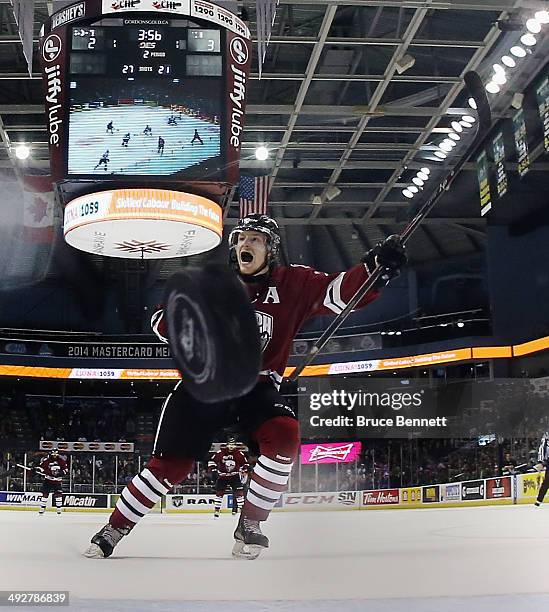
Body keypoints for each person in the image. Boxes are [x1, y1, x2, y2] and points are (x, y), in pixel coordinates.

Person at [84, 213, 406, 560]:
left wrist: (375, 269)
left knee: (284, 436)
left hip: (258, 385)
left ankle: (250, 523)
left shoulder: (295, 282)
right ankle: (114, 527)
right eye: (239, 239)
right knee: (170, 467)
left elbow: (341, 294)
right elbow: (161, 319)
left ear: (271, 248)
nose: (244, 245)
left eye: (254, 239)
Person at [208, 437, 249, 518]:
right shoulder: (220, 453)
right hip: (223, 476)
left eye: (233, 445)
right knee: (219, 493)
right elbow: (212, 461)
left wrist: (246, 469)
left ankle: (241, 509)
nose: (231, 446)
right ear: (227, 445)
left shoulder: (239, 454)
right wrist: (213, 470)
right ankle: (217, 509)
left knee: (239, 493)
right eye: (230, 444)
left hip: (234, 476)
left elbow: (245, 463)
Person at [36, 449, 68, 515]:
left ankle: (59, 509)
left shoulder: (61, 461)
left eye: (55, 455)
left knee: (58, 495)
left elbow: (65, 470)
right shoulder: (47, 461)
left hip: (57, 481)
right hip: (48, 480)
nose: (54, 456)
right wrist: (38, 470)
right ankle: (42, 508)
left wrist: (60, 474)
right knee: (45, 494)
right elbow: (41, 468)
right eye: (53, 454)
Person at [534, 431, 549, 507]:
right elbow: (542, 448)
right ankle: (539, 500)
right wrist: (541, 462)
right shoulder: (546, 435)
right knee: (546, 482)